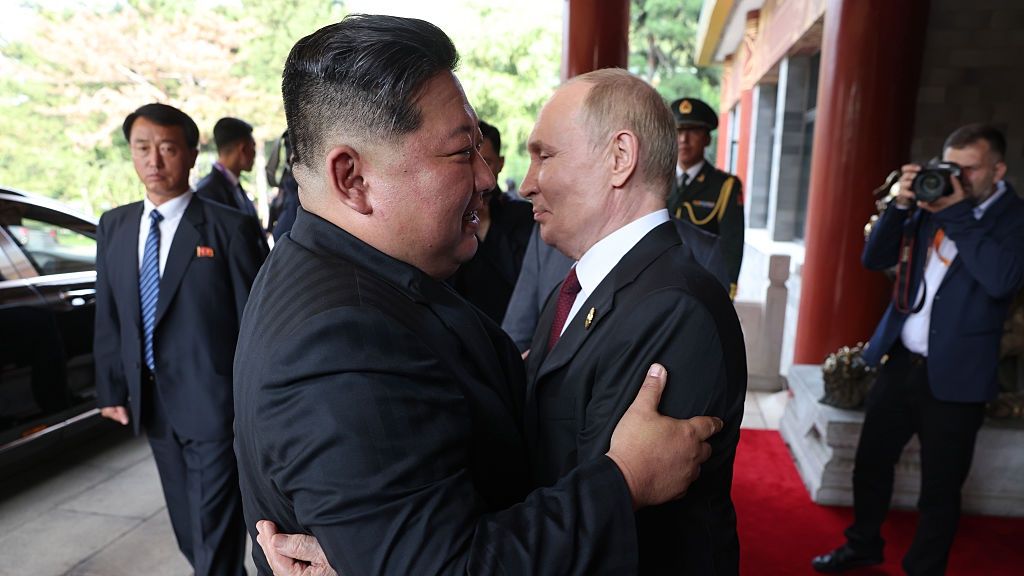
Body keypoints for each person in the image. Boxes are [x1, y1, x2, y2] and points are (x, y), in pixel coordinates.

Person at [233, 15, 724, 576]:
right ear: (353, 179)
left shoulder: (339, 270)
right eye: (461, 152)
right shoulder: (341, 340)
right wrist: (626, 479)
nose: (492, 179)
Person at [520, 68, 746, 575]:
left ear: (619, 158)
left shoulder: (673, 308)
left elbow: (601, 511)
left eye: (545, 155)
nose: (528, 183)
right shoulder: (578, 284)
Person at [812, 124, 1024, 575]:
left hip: (960, 374)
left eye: (970, 169)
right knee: (870, 464)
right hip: (902, 360)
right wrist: (900, 204)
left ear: (998, 169)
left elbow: (1002, 279)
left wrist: (958, 211)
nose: (958, 178)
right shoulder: (930, 201)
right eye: (952, 167)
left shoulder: (1014, 218)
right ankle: (863, 544)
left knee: (940, 488)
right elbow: (875, 257)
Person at [93, 103, 265, 576]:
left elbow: (254, 320)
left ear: (191, 154)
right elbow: (110, 313)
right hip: (152, 400)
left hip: (213, 401)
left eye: (167, 148)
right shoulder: (115, 225)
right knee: (188, 527)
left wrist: (256, 401)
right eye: (142, 148)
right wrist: (110, 388)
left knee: (213, 525)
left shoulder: (228, 228)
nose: (154, 160)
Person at [447, 120, 534, 323]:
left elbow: (525, 282)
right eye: (467, 160)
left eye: (487, 161)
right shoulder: (448, 219)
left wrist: (484, 223)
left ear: (501, 164)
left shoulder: (523, 215)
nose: (479, 172)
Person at [666, 97, 744, 299]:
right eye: (678, 131)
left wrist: (726, 291)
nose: (684, 139)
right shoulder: (657, 180)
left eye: (692, 131)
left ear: (707, 138)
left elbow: (731, 244)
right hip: (659, 285)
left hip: (702, 289)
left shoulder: (724, 186)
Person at [196, 117, 259, 219]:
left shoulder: (234, 186)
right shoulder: (207, 194)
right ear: (242, 149)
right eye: (253, 146)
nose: (254, 153)